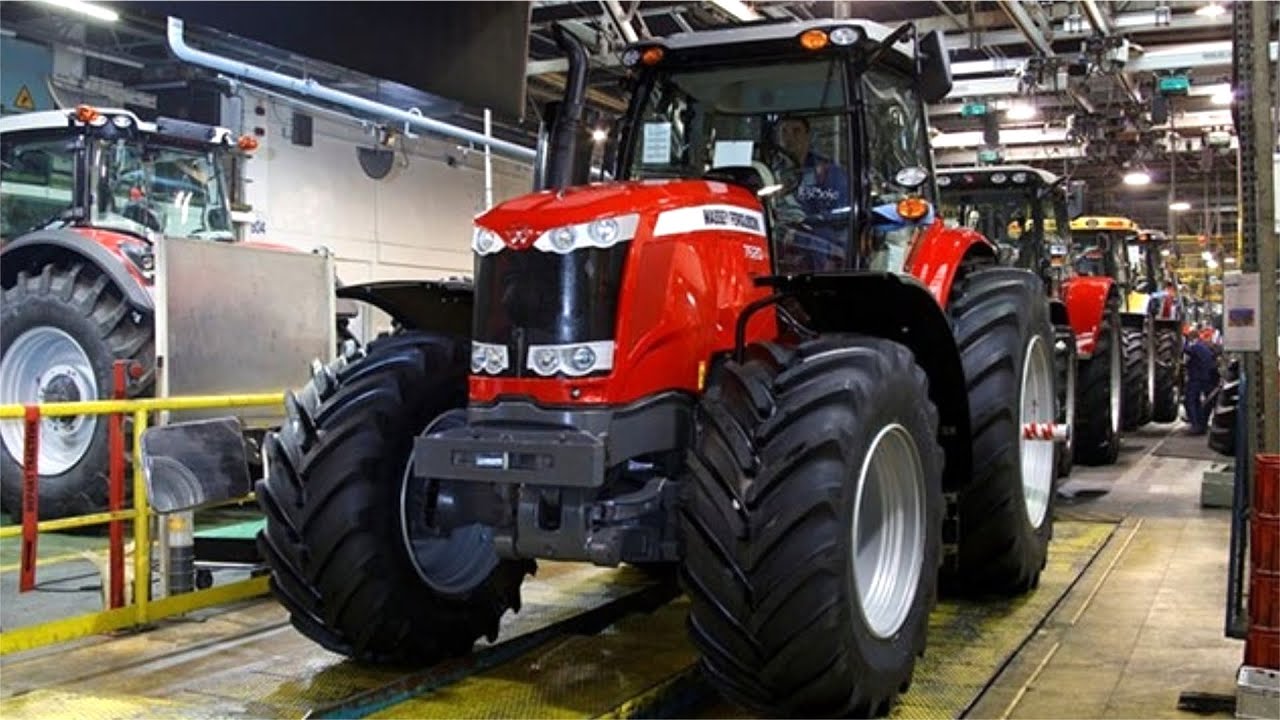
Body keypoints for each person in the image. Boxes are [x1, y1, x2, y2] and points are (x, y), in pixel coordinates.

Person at [769, 116, 850, 272]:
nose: (789, 138)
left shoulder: (829, 173)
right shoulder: (770, 171)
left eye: (796, 131)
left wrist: (805, 224)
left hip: (818, 242)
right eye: (784, 132)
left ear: (808, 136)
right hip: (778, 236)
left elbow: (842, 214)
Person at [1183, 326, 1220, 434]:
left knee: (1190, 400)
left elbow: (1186, 350)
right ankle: (1201, 424)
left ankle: (1195, 425)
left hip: (1196, 378)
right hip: (1206, 377)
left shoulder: (1195, 347)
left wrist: (1183, 341)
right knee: (1198, 402)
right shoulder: (1204, 347)